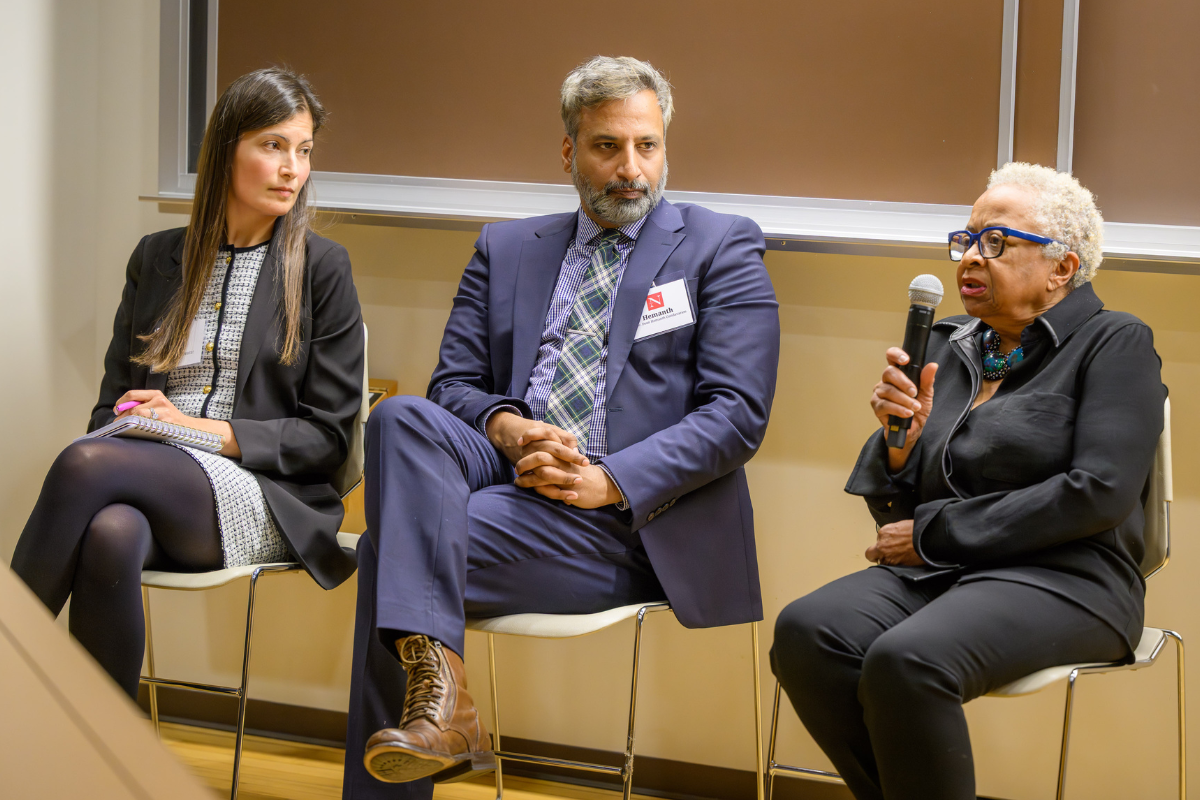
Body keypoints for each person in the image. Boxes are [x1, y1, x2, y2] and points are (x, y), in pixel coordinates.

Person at [343, 56, 780, 797]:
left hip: (628, 523)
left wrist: (606, 479)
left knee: (393, 554)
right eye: (608, 146)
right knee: (401, 419)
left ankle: (441, 727)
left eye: (647, 145)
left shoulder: (719, 245)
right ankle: (446, 713)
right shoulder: (507, 247)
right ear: (569, 152)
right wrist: (512, 430)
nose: (631, 169)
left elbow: (737, 414)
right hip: (510, 479)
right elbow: (454, 387)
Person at [770, 162, 1166, 800]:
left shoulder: (1114, 342)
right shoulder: (952, 346)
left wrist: (932, 534)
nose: (971, 257)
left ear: (1062, 267)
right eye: (968, 239)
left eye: (998, 242)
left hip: (1070, 578)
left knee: (908, 662)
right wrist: (900, 444)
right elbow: (901, 511)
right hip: (948, 572)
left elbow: (1100, 491)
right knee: (809, 633)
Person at [10, 68, 364, 700]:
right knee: (108, 534)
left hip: (265, 496)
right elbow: (107, 409)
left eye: (304, 150)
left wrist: (193, 428)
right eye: (273, 145)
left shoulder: (322, 269)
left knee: (83, 464)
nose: (293, 168)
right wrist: (140, 425)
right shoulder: (156, 258)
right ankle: (101, 764)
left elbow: (327, 439)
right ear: (226, 149)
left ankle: (11, 675)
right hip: (149, 475)